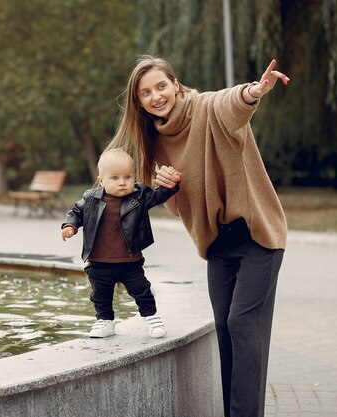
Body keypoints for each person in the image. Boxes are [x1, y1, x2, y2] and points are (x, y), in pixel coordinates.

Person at [105, 56, 289, 417]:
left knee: (242, 324)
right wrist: (165, 188)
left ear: (175, 84)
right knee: (223, 326)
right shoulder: (153, 143)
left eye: (161, 86)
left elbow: (231, 103)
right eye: (146, 93)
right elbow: (178, 208)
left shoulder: (205, 107)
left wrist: (255, 91)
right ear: (139, 102)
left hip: (257, 236)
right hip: (217, 245)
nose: (156, 96)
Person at [61, 148, 181, 339]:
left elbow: (158, 196)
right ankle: (105, 321)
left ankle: (151, 317)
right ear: (101, 181)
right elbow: (76, 212)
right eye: (115, 178)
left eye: (127, 177)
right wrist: (70, 226)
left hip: (130, 262)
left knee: (142, 290)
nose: (123, 182)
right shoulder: (90, 199)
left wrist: (171, 185)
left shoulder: (139, 196)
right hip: (99, 262)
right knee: (100, 295)